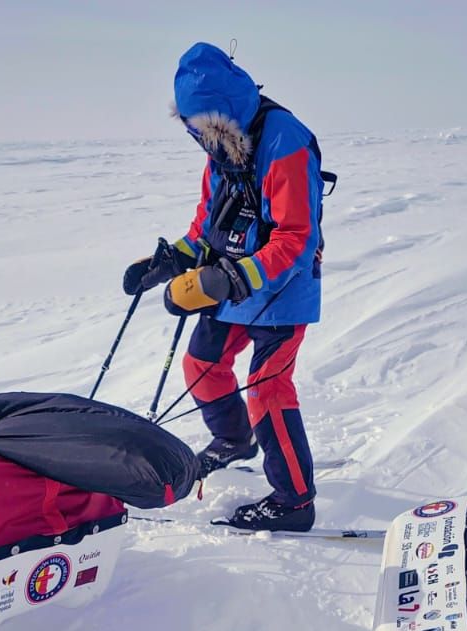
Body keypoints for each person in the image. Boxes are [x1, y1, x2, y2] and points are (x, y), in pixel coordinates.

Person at [122, 43, 326, 532]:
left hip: (281, 290)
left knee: (266, 388)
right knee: (202, 366)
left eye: (201, 127)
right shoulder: (221, 148)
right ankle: (235, 440)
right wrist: (170, 260)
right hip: (232, 285)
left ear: (222, 115)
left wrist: (227, 278)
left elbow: (297, 239)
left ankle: (294, 502)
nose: (196, 137)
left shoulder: (285, 143)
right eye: (191, 128)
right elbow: (207, 229)